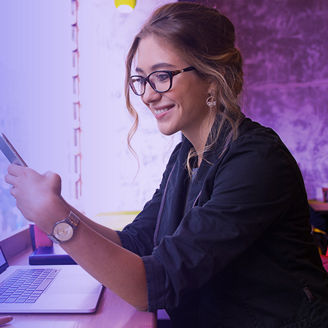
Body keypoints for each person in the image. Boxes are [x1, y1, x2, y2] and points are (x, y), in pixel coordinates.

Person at [4, 2, 328, 327]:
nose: (146, 96)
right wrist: (58, 208)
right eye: (141, 80)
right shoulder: (186, 154)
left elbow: (152, 286)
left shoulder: (256, 161)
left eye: (161, 76)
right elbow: (135, 242)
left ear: (213, 77)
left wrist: (54, 218)